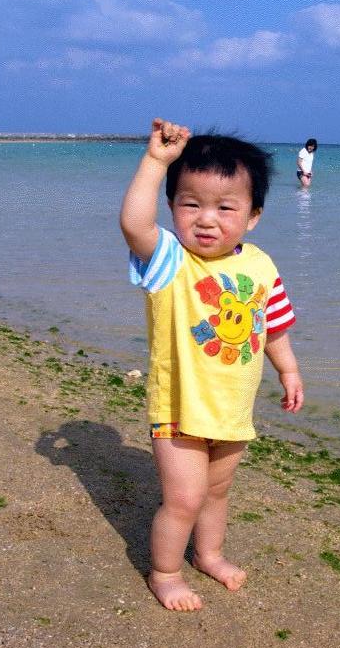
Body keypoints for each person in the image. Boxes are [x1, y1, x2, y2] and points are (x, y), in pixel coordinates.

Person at [120, 118, 304, 612]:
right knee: (183, 499)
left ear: (253, 216)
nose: (206, 219)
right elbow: (134, 225)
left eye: (225, 208)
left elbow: (272, 326)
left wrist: (288, 371)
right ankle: (165, 572)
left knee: (216, 493)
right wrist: (156, 161)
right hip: (180, 410)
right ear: (172, 207)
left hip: (232, 412)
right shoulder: (171, 261)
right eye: (190, 204)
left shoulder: (261, 266)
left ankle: (209, 554)